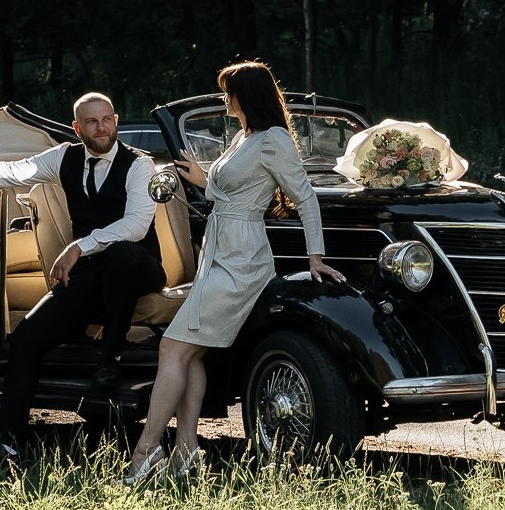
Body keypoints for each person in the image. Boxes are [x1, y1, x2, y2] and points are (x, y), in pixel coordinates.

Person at [123, 59, 343, 488]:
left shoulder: (273, 139)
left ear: (247, 96)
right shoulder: (246, 136)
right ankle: (186, 451)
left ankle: (146, 451)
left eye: (230, 91)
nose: (225, 98)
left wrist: (315, 256)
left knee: (172, 347)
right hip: (218, 252)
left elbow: (306, 198)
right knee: (193, 352)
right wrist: (202, 179)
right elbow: (229, 192)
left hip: (242, 259)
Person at [0, 90, 163, 468]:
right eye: (92, 122)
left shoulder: (139, 165)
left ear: (116, 121)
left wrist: (78, 246)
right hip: (91, 274)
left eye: (107, 120)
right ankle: (7, 444)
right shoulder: (64, 157)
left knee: (121, 255)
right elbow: (11, 172)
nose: (101, 128)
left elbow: (137, 225)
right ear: (77, 128)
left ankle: (110, 357)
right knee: (27, 338)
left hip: (139, 266)